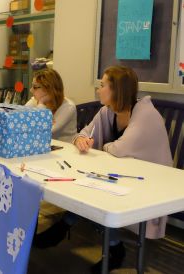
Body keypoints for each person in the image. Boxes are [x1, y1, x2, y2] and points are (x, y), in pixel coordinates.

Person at [35, 65, 173, 274]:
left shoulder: (145, 114)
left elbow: (119, 148)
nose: (99, 90)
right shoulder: (107, 111)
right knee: (89, 187)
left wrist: (102, 145)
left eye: (102, 85)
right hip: (124, 175)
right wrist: (81, 140)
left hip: (152, 183)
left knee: (97, 194)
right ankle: (103, 243)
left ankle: (84, 235)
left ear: (117, 90)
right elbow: (83, 133)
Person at [25, 68, 77, 142]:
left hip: (65, 150)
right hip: (43, 146)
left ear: (49, 89)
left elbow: (44, 131)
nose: (31, 90)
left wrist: (41, 104)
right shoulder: (34, 101)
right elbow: (20, 122)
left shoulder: (68, 107)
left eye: (35, 87)